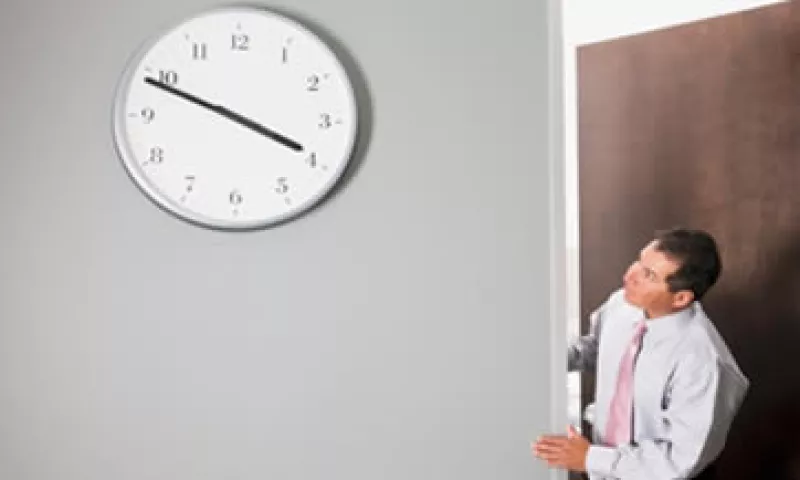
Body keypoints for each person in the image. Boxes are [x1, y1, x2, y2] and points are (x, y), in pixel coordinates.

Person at [532, 227, 749, 479]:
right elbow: (595, 349)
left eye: (649, 274)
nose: (630, 274)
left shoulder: (702, 363)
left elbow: (678, 461)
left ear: (680, 298)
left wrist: (590, 458)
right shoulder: (622, 304)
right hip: (600, 467)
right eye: (639, 261)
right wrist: (537, 359)